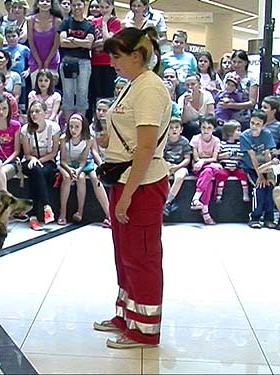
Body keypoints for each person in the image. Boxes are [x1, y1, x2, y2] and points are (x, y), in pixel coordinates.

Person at [94, 27, 171, 349]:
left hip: (142, 185)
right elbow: (130, 137)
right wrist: (108, 140)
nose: (111, 62)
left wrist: (126, 198)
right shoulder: (133, 85)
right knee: (125, 255)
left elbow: (146, 148)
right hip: (126, 181)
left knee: (141, 256)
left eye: (116, 56)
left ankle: (145, 330)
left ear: (136, 56)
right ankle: (127, 315)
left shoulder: (150, 89)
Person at [57, 112, 110, 226]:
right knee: (71, 178)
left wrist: (78, 169)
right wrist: (71, 170)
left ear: (83, 127)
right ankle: (63, 213)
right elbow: (62, 160)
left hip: (83, 164)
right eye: (71, 126)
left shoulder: (89, 139)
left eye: (77, 127)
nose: (73, 130)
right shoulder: (64, 139)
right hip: (67, 164)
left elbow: (84, 159)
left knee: (94, 179)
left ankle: (107, 214)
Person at [21, 100, 60, 230]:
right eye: (31, 112)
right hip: (30, 161)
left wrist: (40, 160)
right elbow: (27, 153)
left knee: (36, 175)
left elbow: (54, 152)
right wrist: (33, 159)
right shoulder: (25, 129)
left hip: (47, 161)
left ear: (45, 112)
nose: (34, 114)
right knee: (35, 170)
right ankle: (46, 206)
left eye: (37, 111)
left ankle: (33, 217)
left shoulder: (53, 128)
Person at [58, 0, 94, 120]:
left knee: (82, 95)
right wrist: (81, 43)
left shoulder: (89, 25)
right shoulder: (65, 23)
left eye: (79, 4)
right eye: (74, 5)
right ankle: (69, 126)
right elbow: (63, 42)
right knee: (67, 95)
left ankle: (80, 125)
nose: (76, 7)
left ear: (84, 6)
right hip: (68, 61)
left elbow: (89, 44)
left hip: (84, 62)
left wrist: (72, 39)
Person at [240, 110, 276, 229]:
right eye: (252, 123)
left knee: (270, 187)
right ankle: (255, 217)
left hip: (265, 167)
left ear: (263, 125)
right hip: (250, 168)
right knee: (258, 188)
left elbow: (267, 155)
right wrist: (260, 176)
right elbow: (253, 157)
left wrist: (268, 175)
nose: (254, 126)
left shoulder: (267, 134)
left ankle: (269, 218)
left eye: (258, 124)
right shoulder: (245, 136)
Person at [89, 0, 121, 117]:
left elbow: (108, 41)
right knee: (96, 93)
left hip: (109, 63)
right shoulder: (93, 21)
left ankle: (108, 117)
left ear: (112, 7)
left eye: (106, 7)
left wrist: (104, 23)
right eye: (101, 7)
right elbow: (90, 43)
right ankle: (97, 118)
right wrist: (99, 43)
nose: (103, 10)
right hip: (95, 62)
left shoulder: (116, 22)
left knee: (108, 93)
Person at [189, 115, 221, 225]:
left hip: (210, 166)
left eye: (209, 128)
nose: (206, 130)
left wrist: (203, 161)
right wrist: (201, 161)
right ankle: (205, 212)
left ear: (214, 129)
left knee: (209, 171)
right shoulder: (195, 139)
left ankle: (196, 198)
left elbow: (214, 158)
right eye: (203, 127)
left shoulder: (216, 141)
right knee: (208, 177)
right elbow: (196, 157)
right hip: (199, 166)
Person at [218, 50, 258, 130]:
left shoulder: (252, 78)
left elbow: (252, 102)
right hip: (227, 117)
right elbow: (224, 93)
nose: (236, 65)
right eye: (234, 61)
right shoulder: (229, 75)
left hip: (244, 119)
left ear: (246, 63)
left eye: (239, 62)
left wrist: (232, 105)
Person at [27, 0, 62, 88]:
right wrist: (39, 62)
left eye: (48, 1)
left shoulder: (57, 21)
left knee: (50, 92)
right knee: (36, 91)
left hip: (52, 60)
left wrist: (46, 62)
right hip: (35, 60)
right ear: (37, 4)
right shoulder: (30, 20)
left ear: (51, 5)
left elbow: (56, 44)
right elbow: (31, 42)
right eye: (42, 1)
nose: (45, 3)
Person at [215, 120, 249, 204]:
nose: (240, 132)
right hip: (225, 166)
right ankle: (219, 195)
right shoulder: (222, 144)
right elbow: (217, 156)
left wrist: (238, 155)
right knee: (221, 175)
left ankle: (245, 194)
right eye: (237, 130)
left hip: (236, 167)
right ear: (230, 132)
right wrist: (226, 155)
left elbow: (243, 155)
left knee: (243, 175)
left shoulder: (240, 144)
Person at [163, 117, 191, 216]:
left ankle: (167, 202)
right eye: (171, 127)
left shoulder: (185, 142)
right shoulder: (163, 141)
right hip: (166, 165)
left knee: (179, 177)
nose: (174, 130)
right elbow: (160, 157)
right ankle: (166, 202)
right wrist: (168, 166)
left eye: (176, 127)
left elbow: (187, 159)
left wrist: (177, 167)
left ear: (181, 129)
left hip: (180, 166)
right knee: (163, 177)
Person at [177, 73, 215, 140]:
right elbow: (183, 121)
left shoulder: (207, 95)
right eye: (187, 85)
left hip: (206, 122)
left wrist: (202, 124)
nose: (190, 87)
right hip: (191, 126)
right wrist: (185, 105)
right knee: (192, 127)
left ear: (199, 85)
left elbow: (210, 114)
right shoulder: (181, 98)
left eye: (193, 84)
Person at [3, 25, 30, 111]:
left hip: (21, 81)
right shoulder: (4, 51)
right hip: (8, 80)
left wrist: (28, 71)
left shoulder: (24, 49)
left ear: (18, 36)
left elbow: (33, 62)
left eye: (14, 36)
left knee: (21, 104)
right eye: (9, 36)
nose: (11, 38)